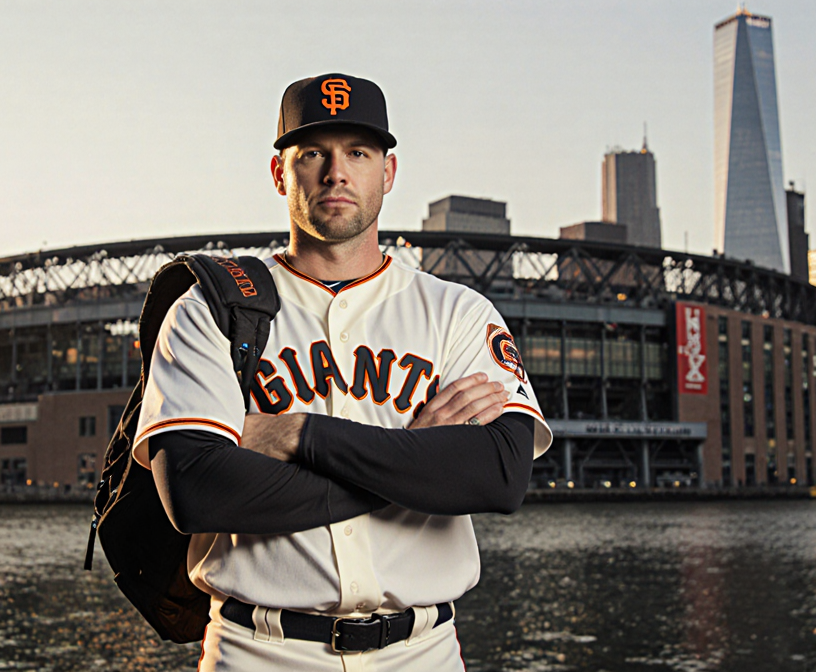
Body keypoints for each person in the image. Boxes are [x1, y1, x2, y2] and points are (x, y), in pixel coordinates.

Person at [131, 73, 552, 671]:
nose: (337, 172)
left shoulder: (458, 311)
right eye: (313, 154)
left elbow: (500, 476)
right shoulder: (208, 309)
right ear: (280, 173)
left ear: (389, 172)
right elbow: (197, 491)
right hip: (259, 651)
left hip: (423, 653)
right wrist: (413, 460)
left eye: (358, 151)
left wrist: (300, 434)